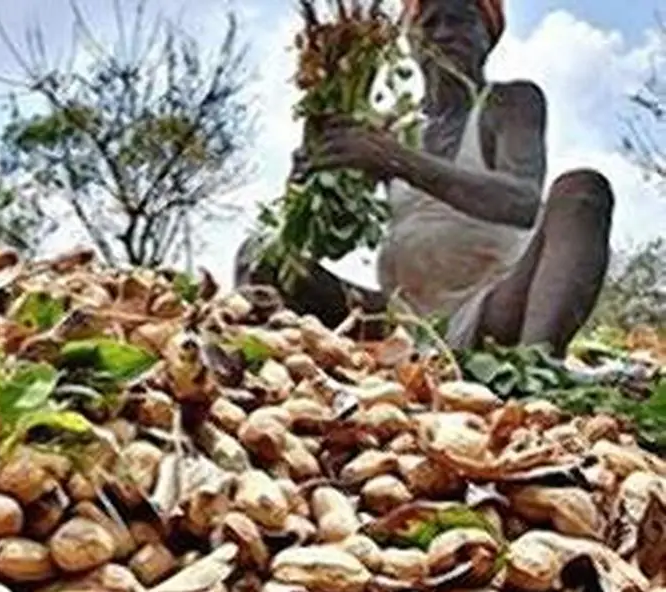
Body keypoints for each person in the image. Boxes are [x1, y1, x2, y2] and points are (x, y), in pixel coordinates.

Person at [235, 0, 614, 358]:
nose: (444, 33)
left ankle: (535, 369)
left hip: (491, 313)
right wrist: (310, 176)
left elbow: (521, 201)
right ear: (411, 41)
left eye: (460, 19)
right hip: (397, 323)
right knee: (259, 256)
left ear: (488, 35)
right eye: (430, 22)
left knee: (582, 191)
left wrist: (399, 160)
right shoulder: (391, 129)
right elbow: (327, 237)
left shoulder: (510, 103)